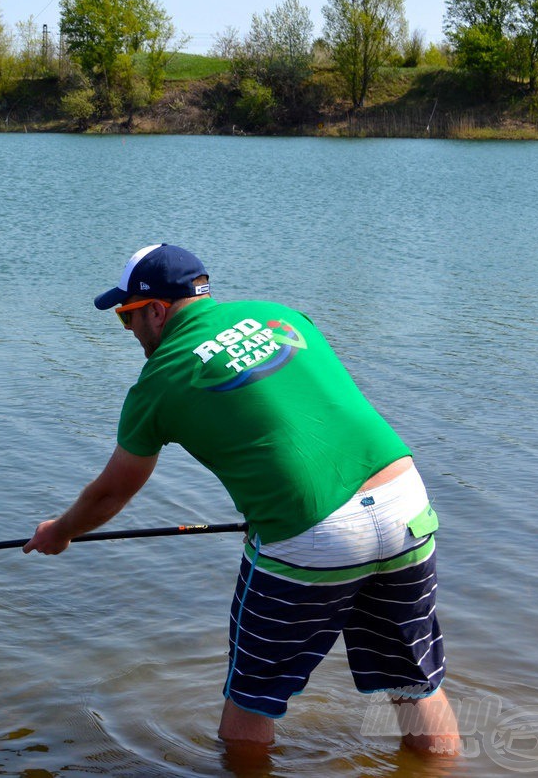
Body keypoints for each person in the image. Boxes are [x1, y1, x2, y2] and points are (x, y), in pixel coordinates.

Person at [23, 244, 461, 754]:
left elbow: (112, 491)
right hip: (406, 502)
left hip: (313, 534)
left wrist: (61, 531)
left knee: (250, 699)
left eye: (128, 318)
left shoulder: (160, 379)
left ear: (157, 310)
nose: (131, 333)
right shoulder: (281, 314)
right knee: (414, 684)